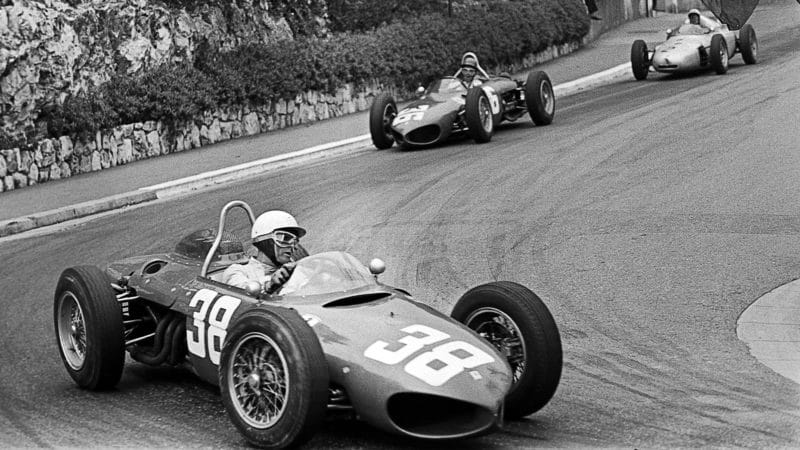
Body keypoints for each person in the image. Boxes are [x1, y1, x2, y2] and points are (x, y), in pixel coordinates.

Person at [223, 210, 306, 294]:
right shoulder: (237, 270)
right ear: (264, 241)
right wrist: (268, 285)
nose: (293, 247)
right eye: (285, 238)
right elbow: (239, 290)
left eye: (295, 242)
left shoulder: (297, 272)